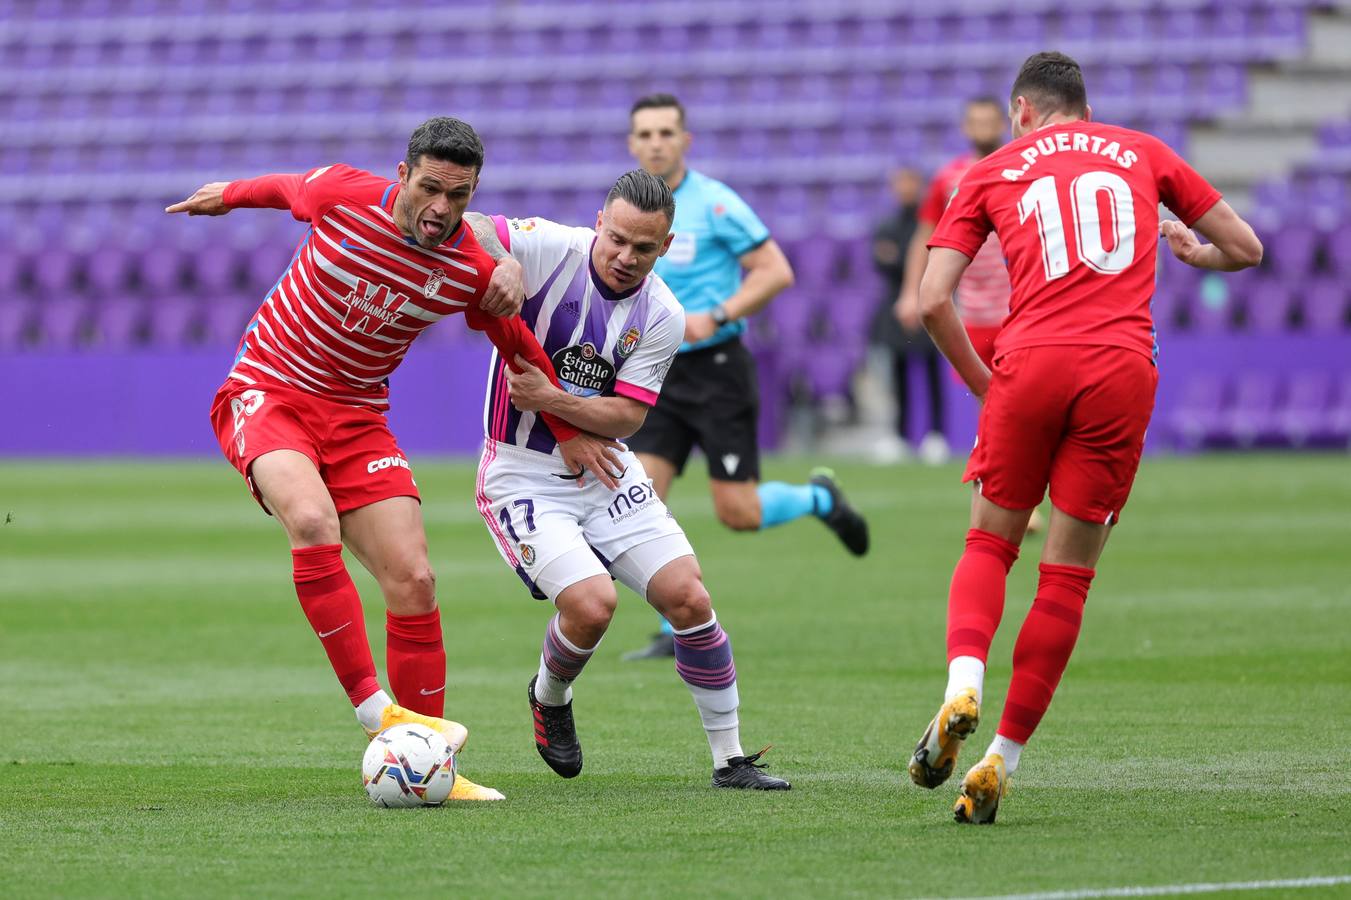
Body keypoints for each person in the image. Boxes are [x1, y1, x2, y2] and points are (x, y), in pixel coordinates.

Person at [166, 117, 622, 802]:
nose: (440, 209)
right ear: (403, 175)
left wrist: (564, 426)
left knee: (414, 579)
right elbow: (286, 186)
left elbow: (521, 348)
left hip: (357, 421)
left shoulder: (470, 267)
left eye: (459, 196)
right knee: (312, 521)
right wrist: (226, 194)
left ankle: (432, 761)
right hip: (269, 390)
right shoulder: (346, 195)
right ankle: (378, 715)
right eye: (431, 188)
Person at [907, 52, 1262, 824]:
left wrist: (982, 382)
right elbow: (1246, 248)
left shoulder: (993, 167)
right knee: (1065, 579)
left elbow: (932, 301)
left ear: (1022, 111)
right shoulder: (1143, 151)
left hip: (1029, 363)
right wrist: (1198, 254)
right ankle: (1001, 759)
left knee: (990, 544)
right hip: (1121, 370)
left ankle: (960, 685)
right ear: (1082, 106)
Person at [465, 171, 790, 790]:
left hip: (608, 468)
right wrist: (503, 261)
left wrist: (553, 400)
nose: (625, 257)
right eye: (616, 239)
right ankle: (550, 696)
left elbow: (629, 416)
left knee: (690, 599)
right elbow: (475, 225)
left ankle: (730, 760)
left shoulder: (662, 311)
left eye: (643, 248)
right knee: (592, 607)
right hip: (522, 471)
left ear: (664, 247)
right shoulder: (546, 247)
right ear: (598, 222)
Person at [621, 92, 870, 660]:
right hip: (654, 372)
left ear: (685, 140)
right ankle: (675, 627)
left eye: (666, 132)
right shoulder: (630, 207)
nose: (656, 142)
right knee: (640, 499)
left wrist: (722, 313)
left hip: (716, 373)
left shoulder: (714, 204)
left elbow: (775, 270)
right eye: (646, 134)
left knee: (739, 511)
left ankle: (819, 498)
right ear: (632, 144)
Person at [896, 97, 1013, 465]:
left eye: (989, 122)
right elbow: (925, 237)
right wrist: (910, 292)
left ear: (1003, 124)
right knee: (988, 401)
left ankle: (1012, 483)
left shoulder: (1020, 168)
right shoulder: (949, 179)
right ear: (965, 127)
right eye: (975, 122)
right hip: (970, 310)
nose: (982, 129)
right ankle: (998, 482)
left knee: (1016, 399)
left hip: (1018, 305)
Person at [869, 166, 943, 462]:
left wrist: (900, 257)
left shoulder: (928, 222)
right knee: (897, 373)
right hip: (894, 304)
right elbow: (881, 261)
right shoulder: (886, 224)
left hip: (929, 299)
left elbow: (930, 256)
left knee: (932, 371)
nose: (905, 188)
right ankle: (899, 435)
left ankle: (936, 435)